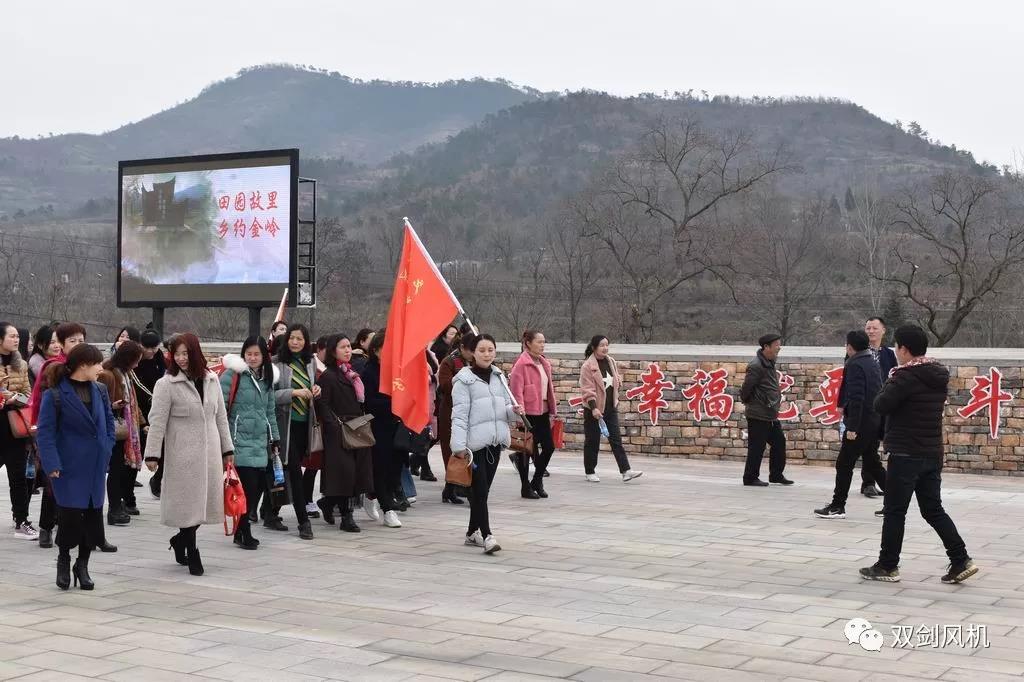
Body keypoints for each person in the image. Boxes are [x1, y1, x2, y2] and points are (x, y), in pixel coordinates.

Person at [860, 326, 978, 584]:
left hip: (905, 453)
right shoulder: (936, 374)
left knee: (894, 511)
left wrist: (891, 378)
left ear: (904, 349)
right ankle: (960, 559)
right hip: (931, 452)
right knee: (933, 509)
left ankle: (887, 565)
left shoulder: (904, 376)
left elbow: (880, 404)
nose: (895, 351)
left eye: (896, 346)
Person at [144, 333, 234, 577]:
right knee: (189, 506)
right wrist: (152, 454)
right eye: (177, 354)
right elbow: (157, 421)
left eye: (185, 353)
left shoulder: (212, 379)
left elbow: (221, 417)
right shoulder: (166, 384)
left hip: (210, 453)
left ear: (195, 353)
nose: (181, 358)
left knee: (203, 505)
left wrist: (227, 449)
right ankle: (192, 550)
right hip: (182, 454)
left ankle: (179, 540)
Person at [35, 343, 116, 590]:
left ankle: (82, 565)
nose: (101, 368)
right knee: (70, 517)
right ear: (83, 365)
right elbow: (45, 434)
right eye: (97, 364)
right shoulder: (55, 395)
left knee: (92, 517)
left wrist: (107, 447)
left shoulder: (100, 390)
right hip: (68, 467)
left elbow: (109, 422)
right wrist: (51, 463)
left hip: (95, 466)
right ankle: (64, 559)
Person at [451, 334, 521, 554]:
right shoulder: (464, 381)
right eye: (481, 350)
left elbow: (504, 409)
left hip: (494, 443)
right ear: (472, 353)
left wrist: (514, 412)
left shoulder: (499, 377)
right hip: (473, 446)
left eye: (490, 350)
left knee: (483, 491)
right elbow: (459, 416)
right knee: (480, 491)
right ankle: (488, 535)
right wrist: (458, 447)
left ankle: (472, 532)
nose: (487, 354)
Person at [29, 322, 94, 550]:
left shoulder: (89, 367)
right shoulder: (53, 368)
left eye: (81, 340)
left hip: (82, 437)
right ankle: (46, 527)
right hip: (57, 434)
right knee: (52, 483)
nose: (77, 344)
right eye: (72, 341)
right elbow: (39, 400)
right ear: (62, 344)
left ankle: (78, 530)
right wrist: (39, 431)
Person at [814, 331, 886, 519]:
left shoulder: (855, 364)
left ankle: (838, 506)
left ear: (850, 347)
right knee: (872, 462)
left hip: (860, 424)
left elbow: (857, 398)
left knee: (844, 464)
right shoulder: (871, 361)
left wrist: (852, 427)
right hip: (873, 421)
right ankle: (895, 503)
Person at [221, 337, 282, 549]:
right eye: (249, 354)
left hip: (260, 442)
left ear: (264, 356)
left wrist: (275, 438)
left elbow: (270, 411)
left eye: (257, 354)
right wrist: (225, 441)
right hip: (238, 441)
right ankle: (244, 531)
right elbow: (220, 409)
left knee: (256, 489)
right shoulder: (232, 375)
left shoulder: (267, 379)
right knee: (245, 489)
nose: (253, 358)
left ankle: (241, 529)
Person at [314, 334, 375, 533]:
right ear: (333, 351)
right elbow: (323, 405)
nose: (348, 350)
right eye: (343, 347)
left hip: (356, 428)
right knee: (345, 474)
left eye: (349, 346)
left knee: (357, 472)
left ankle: (328, 503)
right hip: (339, 431)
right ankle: (346, 516)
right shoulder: (329, 376)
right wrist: (334, 426)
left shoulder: (352, 373)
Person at [272, 324, 319, 540]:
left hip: (303, 425)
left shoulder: (310, 362)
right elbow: (270, 396)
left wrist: (316, 390)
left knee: (288, 470)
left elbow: (311, 388)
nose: (295, 342)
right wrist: (294, 392)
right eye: (292, 338)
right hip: (284, 426)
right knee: (295, 473)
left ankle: (269, 511)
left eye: (300, 339)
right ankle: (303, 522)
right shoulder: (276, 363)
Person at [579, 335, 643, 483]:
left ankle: (626, 471)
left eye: (607, 345)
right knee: (592, 441)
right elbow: (587, 390)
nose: (605, 348)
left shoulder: (611, 361)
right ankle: (590, 471)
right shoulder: (587, 366)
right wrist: (594, 408)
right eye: (602, 345)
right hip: (593, 410)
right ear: (594, 347)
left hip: (610, 408)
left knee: (616, 440)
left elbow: (615, 381)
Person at [359, 331, 404, 528]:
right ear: (376, 350)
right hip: (378, 426)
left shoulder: (397, 369)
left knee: (395, 467)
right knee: (381, 467)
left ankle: (371, 495)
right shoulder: (369, 372)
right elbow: (369, 402)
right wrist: (394, 403)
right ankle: (388, 509)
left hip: (397, 426)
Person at [98, 341, 145, 525]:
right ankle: (114, 509)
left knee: (122, 469)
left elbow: (133, 402)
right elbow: (99, 405)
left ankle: (119, 505)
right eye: (135, 360)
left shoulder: (126, 374)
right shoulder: (108, 375)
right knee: (116, 470)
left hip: (126, 427)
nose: (137, 364)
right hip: (114, 429)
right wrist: (113, 406)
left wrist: (142, 422)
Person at [509, 329, 558, 499]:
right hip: (527, 414)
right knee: (526, 451)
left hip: (543, 412)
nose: (542, 345)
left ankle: (537, 481)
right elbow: (516, 391)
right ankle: (525, 487)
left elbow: (548, 389)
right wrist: (520, 412)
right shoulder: (521, 364)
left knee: (549, 447)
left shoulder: (544, 363)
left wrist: (552, 410)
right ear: (528, 343)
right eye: (539, 342)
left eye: (544, 342)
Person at [740, 334, 792, 486]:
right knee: (757, 446)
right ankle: (750, 477)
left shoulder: (769, 362)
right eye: (776, 345)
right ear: (766, 347)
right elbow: (746, 389)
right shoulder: (756, 365)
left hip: (769, 414)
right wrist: (753, 403)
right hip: (758, 414)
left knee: (779, 442)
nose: (779, 348)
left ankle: (776, 475)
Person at [0, 323, 36, 539]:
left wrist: (14, 398)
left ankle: (21, 520)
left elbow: (28, 395)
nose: (16, 340)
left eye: (17, 336)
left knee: (18, 476)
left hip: (14, 426)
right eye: (11, 336)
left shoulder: (21, 364)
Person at [861, 316, 898, 499]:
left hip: (883, 404)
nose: (871, 331)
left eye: (874, 328)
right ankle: (868, 483)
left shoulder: (889, 354)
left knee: (875, 443)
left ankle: (872, 482)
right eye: (868, 328)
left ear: (883, 330)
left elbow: (894, 377)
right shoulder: (860, 351)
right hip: (865, 405)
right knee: (868, 445)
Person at [437, 333, 475, 504]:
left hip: (471, 412)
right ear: (462, 348)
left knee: (469, 450)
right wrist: (461, 378)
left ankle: (451, 489)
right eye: (470, 350)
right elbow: (445, 386)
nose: (473, 354)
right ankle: (454, 487)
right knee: (452, 451)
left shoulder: (477, 362)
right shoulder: (449, 362)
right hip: (450, 412)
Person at [134, 329, 166, 499]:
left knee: (165, 449)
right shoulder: (136, 359)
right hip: (142, 408)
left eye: (154, 347)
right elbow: (136, 385)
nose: (151, 351)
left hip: (160, 407)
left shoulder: (160, 358)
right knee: (143, 447)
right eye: (147, 347)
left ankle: (158, 479)